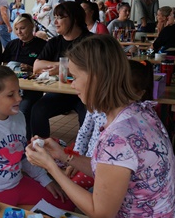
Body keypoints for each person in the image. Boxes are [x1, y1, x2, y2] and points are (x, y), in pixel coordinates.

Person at [26, 34, 175, 218]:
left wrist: (51, 167)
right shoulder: (139, 111)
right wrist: (63, 156)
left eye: (75, 77)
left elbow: (100, 213)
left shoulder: (118, 137)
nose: (72, 84)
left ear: (96, 78)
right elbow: (111, 171)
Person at [0, 65, 73, 210]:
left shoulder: (18, 117)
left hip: (18, 183)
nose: (19, 98)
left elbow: (24, 156)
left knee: (67, 205)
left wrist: (45, 181)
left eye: (19, 92)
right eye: (11, 95)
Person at [61, 60, 155, 191]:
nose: (73, 85)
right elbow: (84, 132)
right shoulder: (97, 106)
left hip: (106, 168)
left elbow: (103, 201)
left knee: (75, 188)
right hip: (91, 161)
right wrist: (75, 158)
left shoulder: (123, 130)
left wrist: (54, 166)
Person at [30, 1, 90, 139]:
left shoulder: (91, 42)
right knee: (37, 110)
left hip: (85, 93)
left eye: (60, 17)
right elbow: (37, 66)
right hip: (61, 92)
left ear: (75, 19)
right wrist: (61, 66)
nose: (55, 22)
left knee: (88, 117)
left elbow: (93, 68)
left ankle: (85, 150)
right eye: (55, 17)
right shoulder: (54, 42)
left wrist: (63, 68)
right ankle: (41, 146)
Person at [2, 14, 46, 137]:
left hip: (32, 89)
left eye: (22, 28)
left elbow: (47, 69)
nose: (19, 32)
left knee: (22, 110)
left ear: (32, 26)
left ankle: (24, 139)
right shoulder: (12, 45)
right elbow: (4, 64)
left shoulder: (42, 45)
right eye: (16, 29)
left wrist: (31, 69)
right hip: (12, 87)